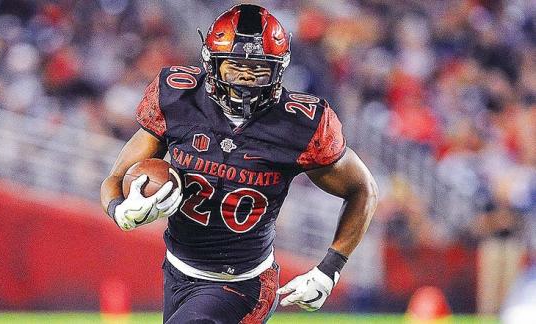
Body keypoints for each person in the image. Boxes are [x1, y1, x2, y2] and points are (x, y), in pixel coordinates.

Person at [100, 4, 378, 323]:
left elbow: (363, 188)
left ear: (279, 69)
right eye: (235, 66)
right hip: (177, 273)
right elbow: (117, 176)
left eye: (258, 69)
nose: (245, 79)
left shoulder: (301, 123)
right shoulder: (178, 97)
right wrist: (119, 210)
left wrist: (331, 268)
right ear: (211, 65)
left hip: (242, 286)